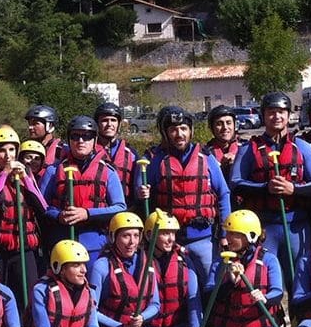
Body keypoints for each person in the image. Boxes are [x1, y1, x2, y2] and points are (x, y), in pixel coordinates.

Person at [230, 92, 311, 293]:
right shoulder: (248, 148)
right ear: (263, 116)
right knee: (264, 281)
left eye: (281, 112)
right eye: (271, 112)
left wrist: (294, 189)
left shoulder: (302, 147)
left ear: (288, 116)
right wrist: (265, 188)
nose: (277, 117)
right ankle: (271, 322)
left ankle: (298, 321)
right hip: (266, 228)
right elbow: (236, 183)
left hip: (296, 226)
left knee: (299, 280)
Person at [139, 106, 232, 289]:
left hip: (204, 239)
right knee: (180, 291)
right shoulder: (156, 160)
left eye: (183, 128)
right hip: (170, 242)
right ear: (166, 133)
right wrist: (142, 193)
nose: (179, 134)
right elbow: (142, 194)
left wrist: (224, 234)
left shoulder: (206, 158)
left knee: (212, 288)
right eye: (173, 129)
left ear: (191, 131)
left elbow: (223, 194)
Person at [206, 210, 289, 327]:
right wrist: (229, 282)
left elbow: (277, 290)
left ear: (250, 236)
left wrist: (264, 297)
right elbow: (210, 295)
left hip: (259, 326)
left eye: (234, 234)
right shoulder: (221, 262)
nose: (227, 239)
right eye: (227, 233)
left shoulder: (268, 259)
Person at [88, 212, 165, 327]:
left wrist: (141, 318)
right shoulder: (101, 266)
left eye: (136, 236)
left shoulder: (148, 263)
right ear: (114, 237)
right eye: (126, 236)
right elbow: (91, 309)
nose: (132, 242)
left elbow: (155, 303)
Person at [0, 126, 48, 309]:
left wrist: (26, 180)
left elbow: (43, 207)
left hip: (23, 247)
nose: (8, 155)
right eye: (2, 150)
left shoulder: (26, 174)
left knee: (29, 296)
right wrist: (4, 174)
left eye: (12, 150)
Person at [42, 115, 127, 263]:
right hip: (62, 244)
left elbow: (120, 207)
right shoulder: (53, 171)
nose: (81, 141)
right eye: (75, 136)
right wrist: (58, 215)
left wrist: (87, 214)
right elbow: (43, 206)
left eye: (86, 136)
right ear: (69, 140)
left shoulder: (108, 171)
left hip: (96, 242)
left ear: (94, 140)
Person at [143, 210, 201, 327]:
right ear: (149, 235)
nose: (171, 239)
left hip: (176, 325)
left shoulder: (184, 259)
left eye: (173, 233)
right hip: (151, 326)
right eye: (164, 234)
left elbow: (193, 299)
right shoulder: (141, 260)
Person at [93, 102, 137, 202]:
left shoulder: (131, 154)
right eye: (104, 120)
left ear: (119, 124)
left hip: (125, 209)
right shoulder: (89, 152)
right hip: (99, 210)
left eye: (113, 120)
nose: (109, 124)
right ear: (97, 124)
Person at [204, 105, 242, 181]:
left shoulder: (245, 148)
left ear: (235, 125)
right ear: (212, 128)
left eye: (228, 123)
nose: (225, 127)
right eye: (219, 124)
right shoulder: (205, 153)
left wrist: (238, 162)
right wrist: (221, 167)